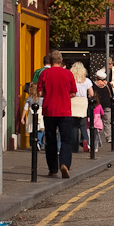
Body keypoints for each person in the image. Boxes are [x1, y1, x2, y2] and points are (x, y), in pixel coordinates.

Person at [39, 50, 77, 178]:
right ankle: (64, 164)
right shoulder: (68, 74)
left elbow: (39, 93)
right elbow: (73, 93)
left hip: (49, 111)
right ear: (61, 61)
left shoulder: (44, 73)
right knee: (66, 140)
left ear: (50, 61)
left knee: (50, 141)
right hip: (65, 111)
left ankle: (53, 169)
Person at [69, 62, 92, 152]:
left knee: (74, 126)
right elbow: (91, 94)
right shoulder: (87, 81)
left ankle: (74, 147)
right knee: (83, 124)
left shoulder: (71, 80)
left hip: (73, 101)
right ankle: (85, 139)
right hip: (83, 102)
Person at [90, 70, 114, 146]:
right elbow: (112, 94)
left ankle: (96, 137)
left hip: (97, 105)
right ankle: (108, 137)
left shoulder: (94, 85)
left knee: (96, 122)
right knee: (107, 121)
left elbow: (92, 94)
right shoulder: (107, 84)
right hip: (107, 105)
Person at [21, 82, 45, 151]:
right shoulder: (42, 98)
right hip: (40, 114)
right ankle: (39, 142)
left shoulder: (29, 98)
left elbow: (25, 108)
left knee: (31, 129)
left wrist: (22, 118)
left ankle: (32, 143)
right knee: (40, 129)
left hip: (31, 114)